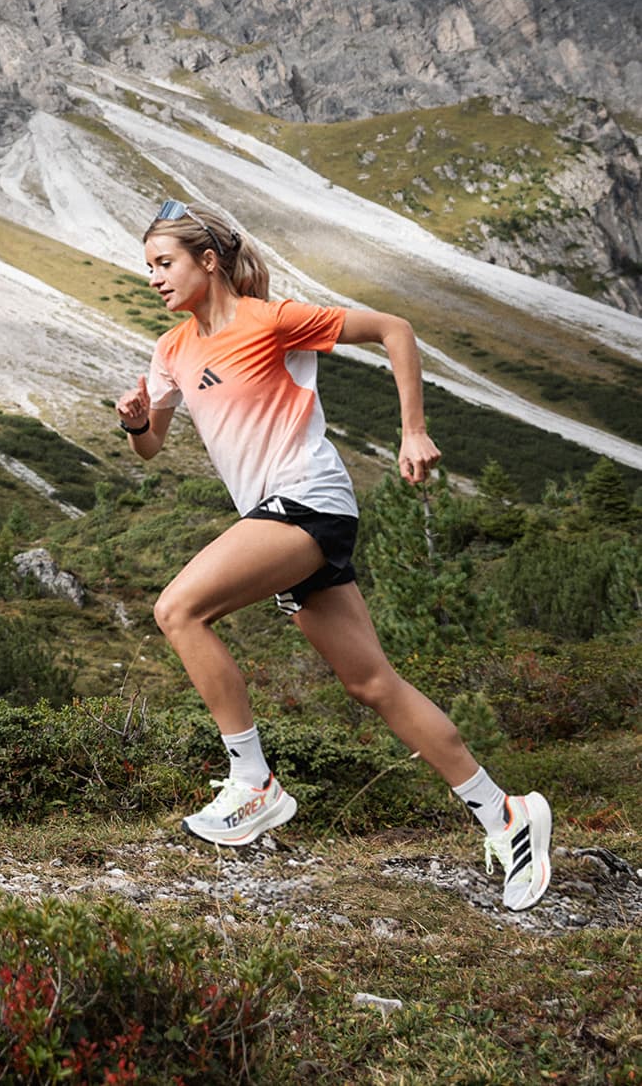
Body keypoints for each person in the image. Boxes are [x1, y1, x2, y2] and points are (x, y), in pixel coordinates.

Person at [115, 198, 552, 912]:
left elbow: (394, 329)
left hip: (307, 501)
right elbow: (151, 444)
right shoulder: (171, 349)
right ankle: (503, 813)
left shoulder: (270, 319)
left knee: (178, 610)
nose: (155, 279)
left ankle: (252, 783)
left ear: (207, 260)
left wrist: (411, 430)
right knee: (371, 684)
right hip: (276, 514)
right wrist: (134, 423)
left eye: (164, 263)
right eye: (148, 269)